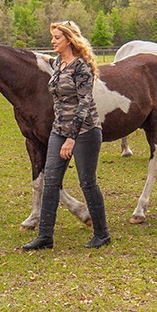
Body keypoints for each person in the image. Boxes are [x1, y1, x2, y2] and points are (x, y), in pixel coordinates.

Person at [23, 20, 110, 250]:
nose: (53, 41)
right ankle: (45, 236)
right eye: (52, 37)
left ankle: (102, 233)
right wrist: (34, 55)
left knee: (87, 182)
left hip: (85, 131)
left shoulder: (82, 67)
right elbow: (49, 60)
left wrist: (71, 138)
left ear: (69, 40)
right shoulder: (59, 63)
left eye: (57, 38)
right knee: (51, 181)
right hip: (59, 129)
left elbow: (85, 103)